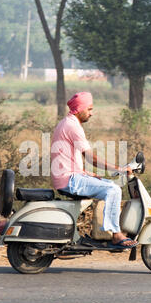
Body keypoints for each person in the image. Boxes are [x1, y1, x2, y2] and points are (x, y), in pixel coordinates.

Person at [50, 91, 138, 249]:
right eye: (89, 109)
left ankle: (104, 232)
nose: (91, 113)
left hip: (71, 176)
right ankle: (116, 234)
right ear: (79, 109)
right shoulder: (73, 126)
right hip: (70, 180)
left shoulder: (67, 122)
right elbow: (91, 158)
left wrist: (88, 174)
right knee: (113, 190)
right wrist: (119, 169)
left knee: (106, 184)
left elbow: (69, 158)